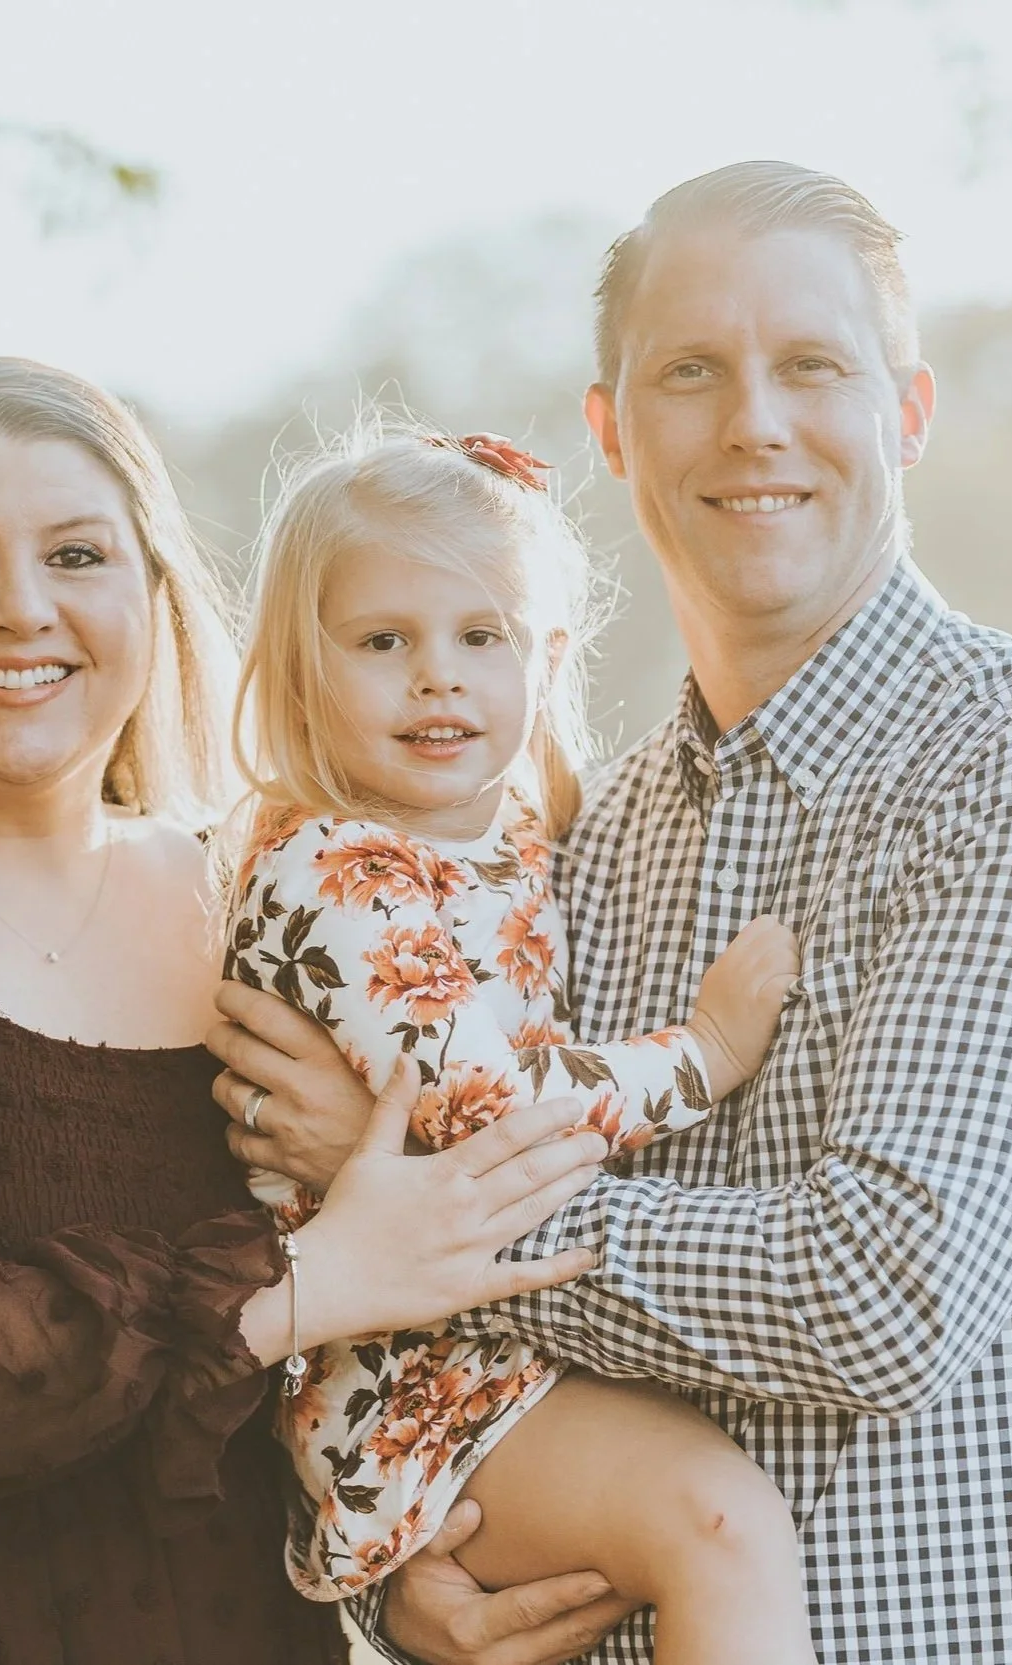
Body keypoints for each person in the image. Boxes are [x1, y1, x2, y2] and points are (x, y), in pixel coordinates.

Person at [209, 163, 1012, 1665]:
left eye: (812, 364)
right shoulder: (575, 840)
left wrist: (433, 1220)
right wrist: (404, 1571)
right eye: (690, 372)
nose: (753, 421)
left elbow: (882, 1296)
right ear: (611, 432)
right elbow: (351, 1285)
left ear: (910, 412)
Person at [0, 356, 617, 1665]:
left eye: (76, 555)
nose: (21, 610)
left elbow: (349, 1359)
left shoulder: (270, 908)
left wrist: (395, 1571)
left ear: (153, 593)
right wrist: (297, 1284)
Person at [220, 420, 814, 1665]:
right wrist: (701, 1052)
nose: (437, 677)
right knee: (723, 1524)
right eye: (384, 642)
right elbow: (486, 1113)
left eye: (477, 638)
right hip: (406, 1375)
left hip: (494, 1347)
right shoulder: (333, 870)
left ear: (543, 660)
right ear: (298, 672)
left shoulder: (514, 834)